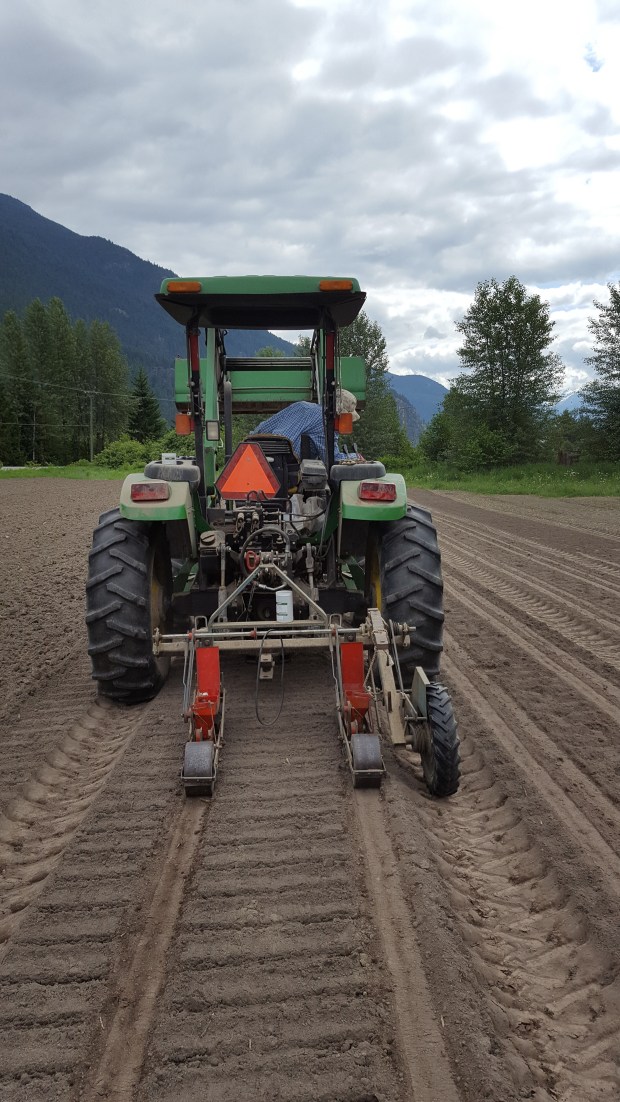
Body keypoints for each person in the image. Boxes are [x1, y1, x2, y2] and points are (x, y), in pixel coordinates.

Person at [250, 389, 361, 464]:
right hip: (282, 465)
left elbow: (263, 428)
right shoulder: (325, 422)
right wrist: (357, 457)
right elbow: (332, 459)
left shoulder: (303, 406)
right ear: (338, 413)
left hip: (252, 451)